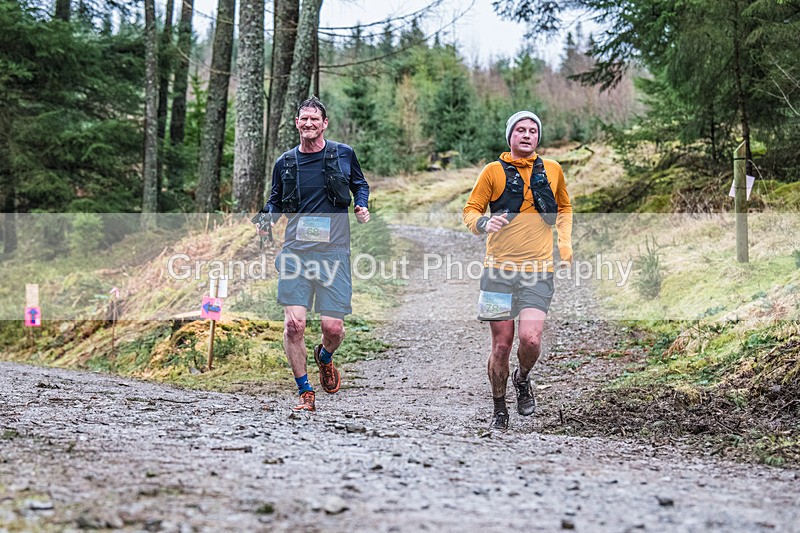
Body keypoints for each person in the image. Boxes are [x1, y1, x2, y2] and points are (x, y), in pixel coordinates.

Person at [255, 96, 370, 412]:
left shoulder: (343, 154)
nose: (308, 124)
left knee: (333, 329)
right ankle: (305, 392)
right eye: (303, 119)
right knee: (294, 326)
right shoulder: (285, 162)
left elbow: (361, 184)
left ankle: (325, 356)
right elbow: (276, 200)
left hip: (334, 253)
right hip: (296, 252)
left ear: (324, 123)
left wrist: (362, 204)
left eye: (314, 119)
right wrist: (265, 220)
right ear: (296, 123)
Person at [462, 111, 573, 431]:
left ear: (538, 137)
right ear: (510, 136)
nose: (526, 135)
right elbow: (470, 211)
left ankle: (522, 378)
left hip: (538, 271)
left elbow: (564, 207)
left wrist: (564, 242)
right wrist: (483, 222)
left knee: (531, 339)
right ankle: (499, 408)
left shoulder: (552, 170)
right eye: (520, 130)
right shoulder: (492, 172)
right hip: (497, 271)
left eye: (532, 131)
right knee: (501, 344)